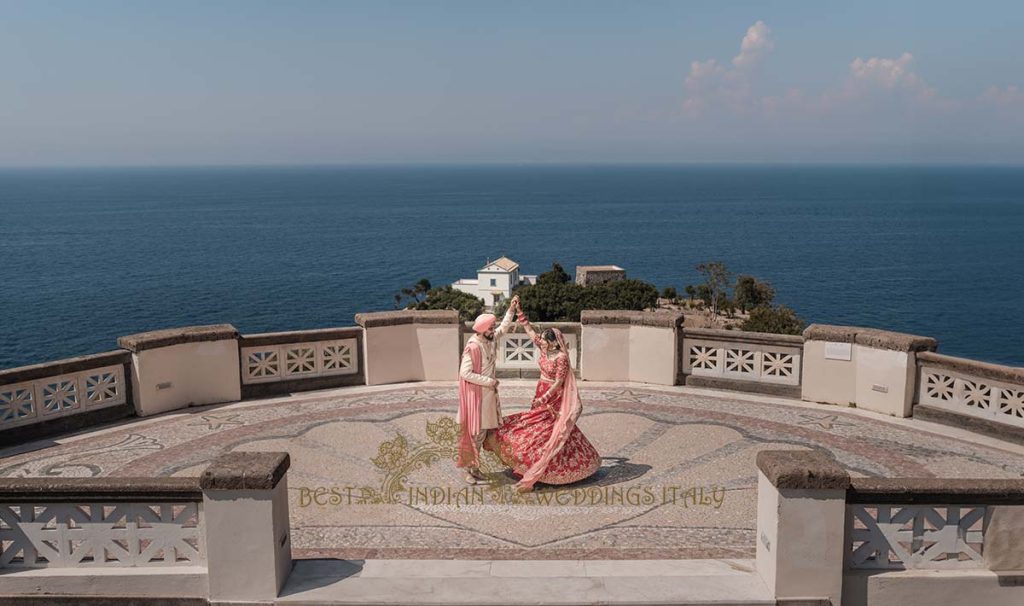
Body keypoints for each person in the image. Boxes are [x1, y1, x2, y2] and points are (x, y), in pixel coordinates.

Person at [486, 298, 601, 493]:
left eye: (547, 342)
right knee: (531, 426)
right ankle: (527, 462)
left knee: (550, 431)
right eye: (544, 342)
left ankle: (551, 468)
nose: (543, 345)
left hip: (552, 398)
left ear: (555, 343)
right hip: (540, 391)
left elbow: (558, 382)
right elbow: (530, 332)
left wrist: (544, 398)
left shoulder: (562, 358)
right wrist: (519, 311)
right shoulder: (544, 347)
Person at [456, 296, 518, 484]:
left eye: (493, 327)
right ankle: (469, 470)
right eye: (491, 328)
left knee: (482, 434)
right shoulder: (473, 347)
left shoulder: (488, 339)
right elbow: (464, 373)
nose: (494, 330)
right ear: (483, 330)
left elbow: (504, 328)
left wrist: (511, 309)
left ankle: (474, 468)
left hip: (487, 397)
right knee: (474, 434)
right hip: (477, 398)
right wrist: (489, 381)